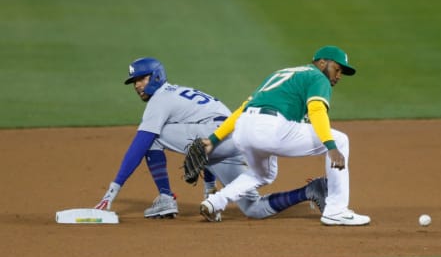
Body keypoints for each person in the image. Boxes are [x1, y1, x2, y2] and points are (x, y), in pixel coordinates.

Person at [93, 57, 330, 220]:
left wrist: (111, 193)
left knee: (152, 137)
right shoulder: (183, 94)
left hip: (225, 137)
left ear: (155, 77)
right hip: (236, 137)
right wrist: (208, 186)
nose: (137, 85)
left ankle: (166, 197)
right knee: (253, 209)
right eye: (134, 82)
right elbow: (203, 147)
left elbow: (140, 145)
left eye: (141, 79)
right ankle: (309, 191)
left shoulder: (160, 99)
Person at [198, 46, 371, 226]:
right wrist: (331, 146)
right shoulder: (318, 77)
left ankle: (215, 202)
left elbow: (243, 108)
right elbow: (317, 110)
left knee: (262, 174)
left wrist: (213, 139)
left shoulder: (282, 74)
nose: (338, 75)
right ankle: (336, 210)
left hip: (243, 129)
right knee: (340, 140)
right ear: (322, 63)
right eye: (337, 69)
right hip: (270, 128)